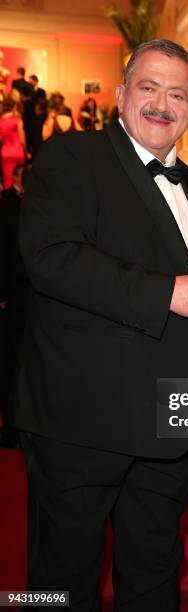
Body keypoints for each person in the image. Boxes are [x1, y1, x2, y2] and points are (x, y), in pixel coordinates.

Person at [11, 39, 188, 611]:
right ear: (120, 95)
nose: (163, 103)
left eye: (177, 94)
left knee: (155, 578)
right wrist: (168, 293)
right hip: (79, 422)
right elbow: (50, 258)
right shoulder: (72, 156)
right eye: (149, 87)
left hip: (172, 426)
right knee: (58, 586)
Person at [0, 163, 30, 448]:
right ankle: (12, 427)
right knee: (11, 363)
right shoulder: (8, 205)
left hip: (26, 297)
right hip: (17, 296)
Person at [0, 96, 27, 189]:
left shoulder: (0, 121)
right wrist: (26, 152)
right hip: (18, 152)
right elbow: (22, 140)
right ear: (14, 107)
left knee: (8, 181)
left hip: (6, 152)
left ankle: (7, 201)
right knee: (20, 180)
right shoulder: (18, 121)